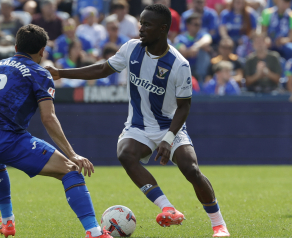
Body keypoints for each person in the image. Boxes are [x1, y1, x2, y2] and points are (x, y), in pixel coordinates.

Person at [46, 4, 230, 237]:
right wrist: (61, 73)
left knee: (191, 169)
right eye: (140, 23)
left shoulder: (179, 64)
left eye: (147, 24)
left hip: (169, 126)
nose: (140, 28)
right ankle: (168, 208)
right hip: (138, 126)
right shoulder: (131, 48)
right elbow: (103, 69)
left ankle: (218, 224)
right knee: (125, 153)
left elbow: (184, 107)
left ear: (162, 29)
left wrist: (168, 138)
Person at [0, 24, 112, 238]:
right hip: (7, 140)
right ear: (42, 51)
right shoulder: (39, 73)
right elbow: (48, 117)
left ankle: (7, 222)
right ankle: (94, 231)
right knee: (70, 170)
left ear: (16, 46)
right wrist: (72, 154)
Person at [175, 13, 212, 82]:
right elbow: (183, 52)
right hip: (186, 70)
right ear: (188, 25)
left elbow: (208, 39)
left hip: (200, 70)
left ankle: (201, 78)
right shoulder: (181, 38)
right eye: (195, 24)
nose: (198, 27)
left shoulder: (202, 34)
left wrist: (196, 46)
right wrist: (193, 50)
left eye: (199, 25)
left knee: (203, 52)